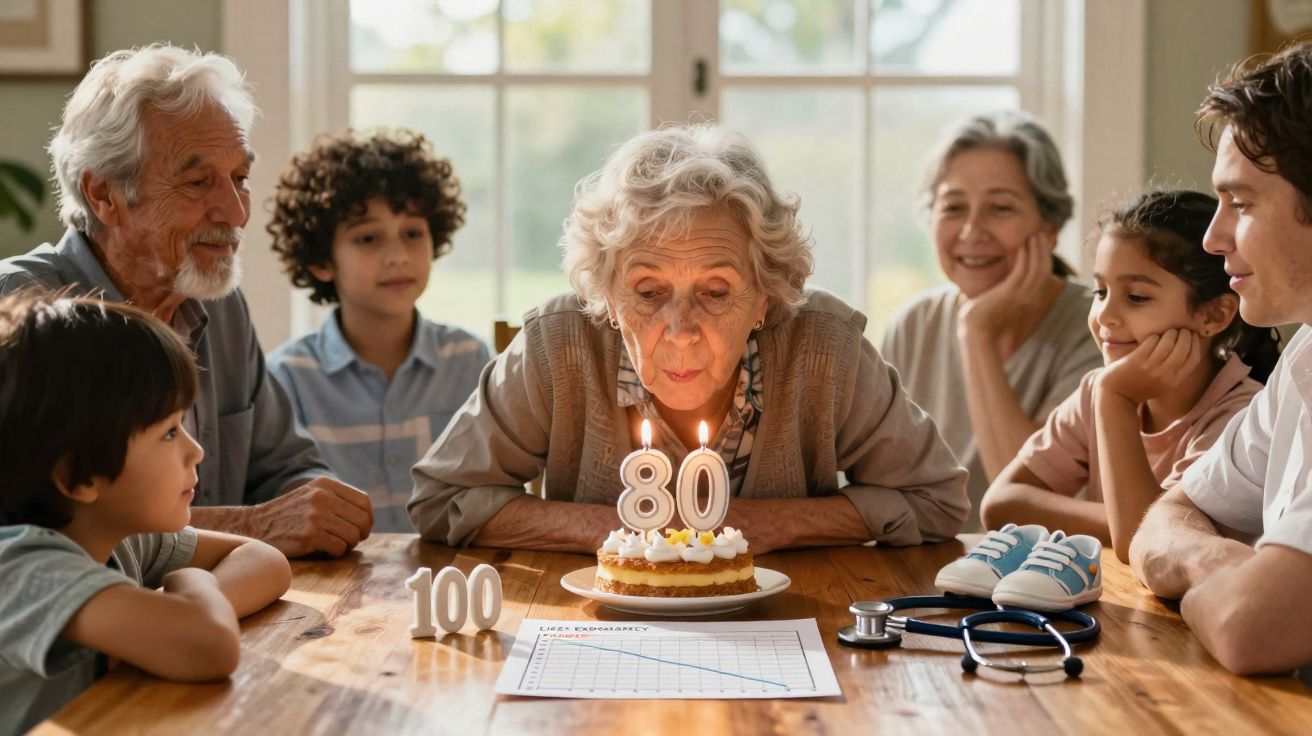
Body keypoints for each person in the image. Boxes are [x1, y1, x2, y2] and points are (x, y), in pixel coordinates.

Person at [408, 124, 968, 552]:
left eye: (716, 291)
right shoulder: (558, 345)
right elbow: (440, 499)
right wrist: (632, 532)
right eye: (647, 292)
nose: (679, 331)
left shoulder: (824, 346)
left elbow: (937, 500)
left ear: (765, 296)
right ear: (606, 293)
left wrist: (762, 524)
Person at [0, 44, 373, 557]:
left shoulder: (217, 302)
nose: (237, 213)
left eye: (240, 178)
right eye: (199, 182)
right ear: (104, 195)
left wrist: (318, 506)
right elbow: (27, 537)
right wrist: (257, 528)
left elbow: (284, 468)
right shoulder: (21, 312)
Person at [0, 292, 292, 734]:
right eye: (169, 432)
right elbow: (207, 646)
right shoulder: (21, 568)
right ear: (79, 476)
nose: (196, 451)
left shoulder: (117, 533)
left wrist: (179, 609)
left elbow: (266, 561)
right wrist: (190, 587)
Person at [1129, 43, 1312, 675]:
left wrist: (1239, 592)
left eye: (1242, 203)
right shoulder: (1305, 357)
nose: (1213, 238)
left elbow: (1247, 630)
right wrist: (1216, 563)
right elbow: (1166, 518)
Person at [980, 190, 1276, 559]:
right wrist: (1127, 517)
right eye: (1100, 291)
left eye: (1136, 297)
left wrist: (1115, 402)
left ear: (1212, 316)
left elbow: (1150, 547)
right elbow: (1000, 504)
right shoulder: (1099, 392)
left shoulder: (1239, 418)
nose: (1105, 315)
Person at [882, 111, 1102, 530]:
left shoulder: (1099, 326)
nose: (971, 230)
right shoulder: (912, 326)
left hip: (1043, 574)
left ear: (1050, 226)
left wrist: (976, 332)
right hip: (925, 567)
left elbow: (1029, 503)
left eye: (1000, 208)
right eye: (953, 207)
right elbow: (882, 491)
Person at [266, 130, 491, 532]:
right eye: (368, 238)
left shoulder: (470, 358)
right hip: (335, 586)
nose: (398, 256)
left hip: (452, 583)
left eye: (412, 233)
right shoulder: (287, 377)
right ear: (321, 260)